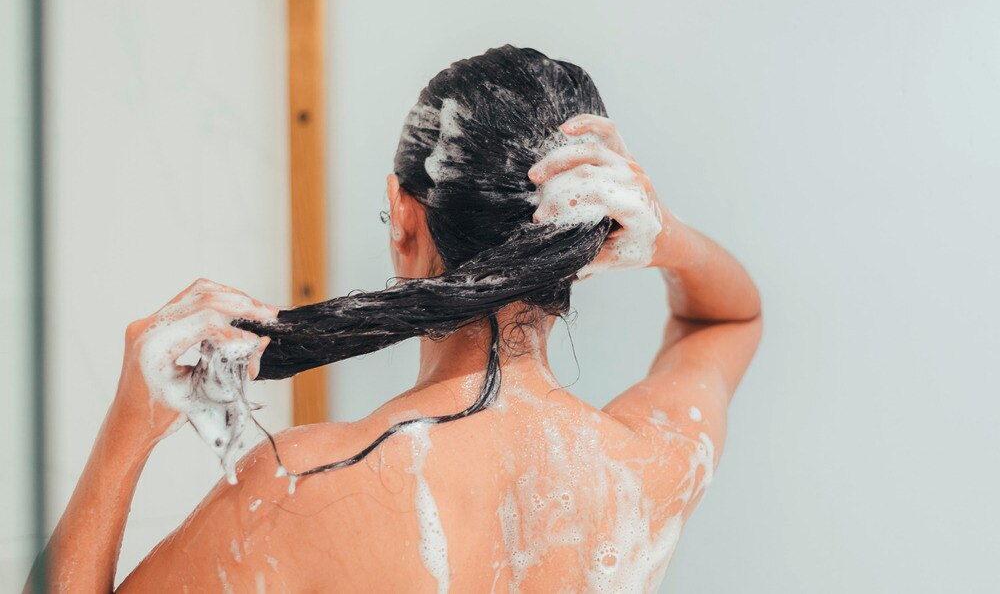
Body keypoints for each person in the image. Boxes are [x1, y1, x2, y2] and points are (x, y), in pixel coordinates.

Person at [34, 46, 761, 592]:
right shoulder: (645, 466)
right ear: (595, 236)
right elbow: (728, 318)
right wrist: (665, 234)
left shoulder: (303, 488)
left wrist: (127, 428)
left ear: (403, 217)